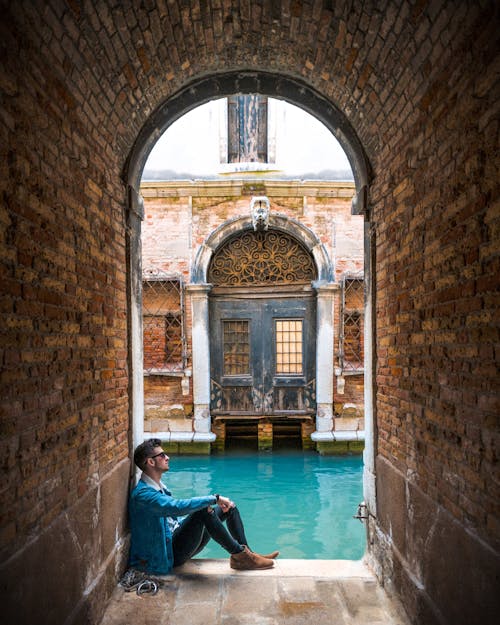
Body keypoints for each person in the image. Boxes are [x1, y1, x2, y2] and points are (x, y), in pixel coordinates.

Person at [128, 438, 279, 575]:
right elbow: (176, 507)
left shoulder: (158, 486)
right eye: (162, 455)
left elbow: (175, 520)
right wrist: (214, 498)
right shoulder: (143, 495)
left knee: (229, 507)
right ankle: (243, 556)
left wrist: (217, 502)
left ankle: (245, 556)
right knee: (202, 510)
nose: (167, 457)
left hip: (178, 541)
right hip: (170, 554)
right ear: (151, 462)